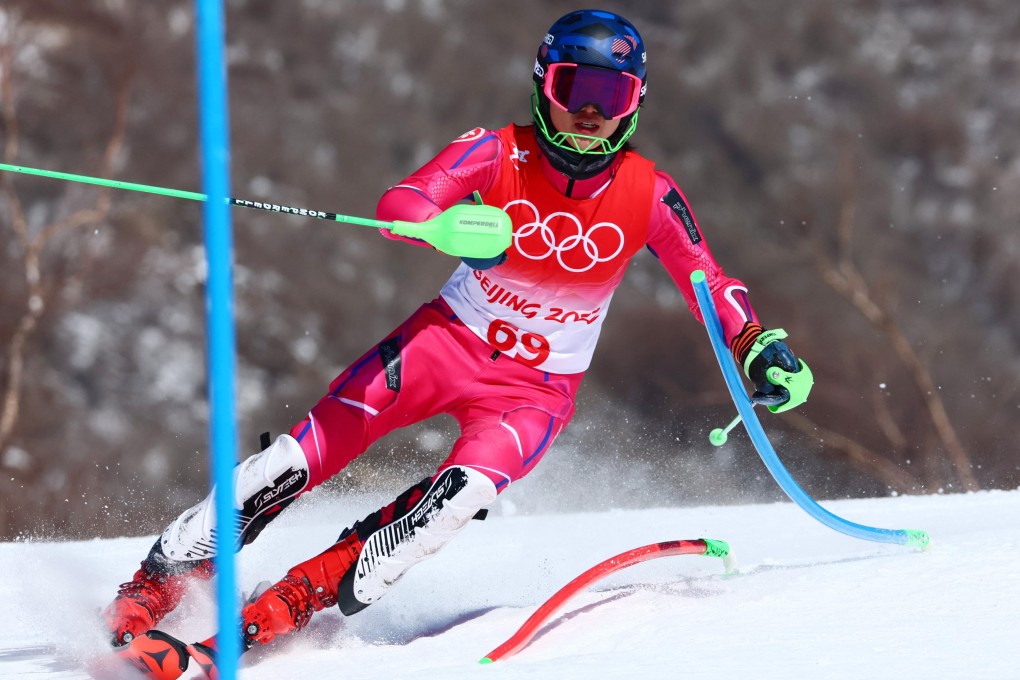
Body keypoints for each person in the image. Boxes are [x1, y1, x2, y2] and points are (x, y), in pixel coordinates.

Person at [104, 8, 810, 655]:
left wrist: (756, 345)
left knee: (455, 501)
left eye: (612, 96)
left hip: (535, 391)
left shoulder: (649, 192)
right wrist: (439, 228)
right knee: (300, 457)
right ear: (544, 86)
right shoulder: (499, 153)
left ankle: (292, 601)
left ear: (636, 103)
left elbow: (708, 279)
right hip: (443, 344)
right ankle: (155, 584)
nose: (590, 113)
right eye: (574, 89)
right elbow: (402, 201)